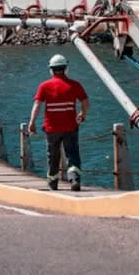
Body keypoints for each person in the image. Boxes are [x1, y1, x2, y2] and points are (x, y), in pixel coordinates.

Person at [28, 54, 89, 192]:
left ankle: (53, 183)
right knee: (72, 153)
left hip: (52, 128)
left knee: (53, 155)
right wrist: (82, 115)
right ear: (65, 68)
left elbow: (37, 105)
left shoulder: (44, 86)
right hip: (70, 127)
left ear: (51, 70)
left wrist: (32, 122)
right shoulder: (75, 85)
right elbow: (85, 103)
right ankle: (74, 179)